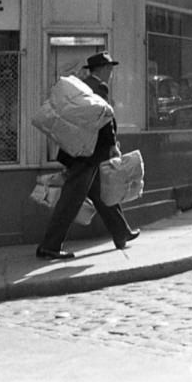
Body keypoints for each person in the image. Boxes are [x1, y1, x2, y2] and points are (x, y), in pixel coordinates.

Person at [36, 52, 140, 260]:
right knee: (70, 202)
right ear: (101, 69)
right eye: (109, 68)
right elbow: (104, 117)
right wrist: (111, 145)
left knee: (102, 194)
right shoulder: (99, 87)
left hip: (79, 152)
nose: (111, 72)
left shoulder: (81, 86)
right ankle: (49, 246)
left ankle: (121, 233)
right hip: (89, 155)